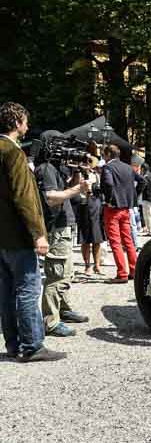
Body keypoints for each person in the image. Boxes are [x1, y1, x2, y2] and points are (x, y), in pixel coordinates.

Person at [0, 102, 66, 361]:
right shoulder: (13, 153)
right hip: (18, 236)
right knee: (28, 290)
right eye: (25, 121)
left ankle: (14, 344)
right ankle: (32, 346)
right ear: (16, 123)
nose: (27, 126)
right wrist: (39, 234)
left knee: (6, 293)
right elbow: (24, 198)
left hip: (2, 237)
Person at [36, 147, 91, 337]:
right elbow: (51, 198)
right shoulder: (45, 168)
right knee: (58, 275)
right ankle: (50, 321)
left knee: (67, 271)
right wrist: (78, 188)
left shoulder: (54, 168)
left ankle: (64, 309)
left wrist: (77, 172)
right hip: (56, 229)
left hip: (63, 225)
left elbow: (68, 191)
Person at [101, 145, 142, 283]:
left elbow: (108, 183)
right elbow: (142, 181)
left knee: (115, 242)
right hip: (126, 208)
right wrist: (132, 197)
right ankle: (135, 270)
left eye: (103, 154)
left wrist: (109, 200)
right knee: (128, 241)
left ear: (108, 154)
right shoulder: (128, 167)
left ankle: (122, 273)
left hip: (113, 209)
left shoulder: (108, 167)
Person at [78, 157, 105, 275]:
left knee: (97, 239)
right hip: (83, 206)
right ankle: (87, 266)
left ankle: (97, 265)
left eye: (89, 162)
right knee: (85, 239)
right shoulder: (78, 175)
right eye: (85, 162)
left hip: (95, 207)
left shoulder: (97, 175)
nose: (87, 164)